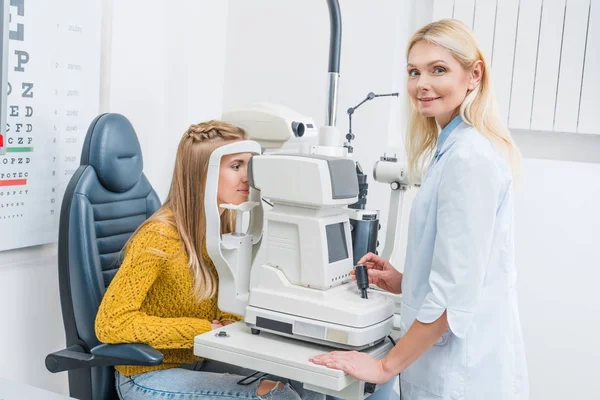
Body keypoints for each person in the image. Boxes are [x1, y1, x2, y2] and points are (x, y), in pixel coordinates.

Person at [310, 18, 529, 400]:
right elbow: (460, 270)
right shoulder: (452, 150)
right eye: (414, 72)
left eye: (438, 70)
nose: (421, 84)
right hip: (448, 367)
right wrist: (405, 280)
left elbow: (452, 298)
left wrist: (383, 367)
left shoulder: (468, 159)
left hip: (461, 378)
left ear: (474, 75)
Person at [95, 120, 324, 400]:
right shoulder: (158, 236)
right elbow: (112, 324)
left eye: (249, 166)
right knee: (279, 396)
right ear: (203, 174)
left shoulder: (226, 226)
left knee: (310, 382)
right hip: (147, 375)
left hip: (202, 358)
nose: (247, 178)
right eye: (235, 166)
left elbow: (228, 306)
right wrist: (204, 330)